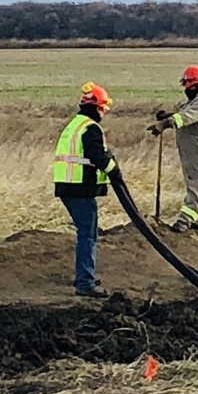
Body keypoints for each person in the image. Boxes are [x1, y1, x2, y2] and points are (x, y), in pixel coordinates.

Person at [53, 82, 122, 298]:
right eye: (102, 108)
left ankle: (85, 274)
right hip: (80, 188)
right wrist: (114, 171)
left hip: (67, 186)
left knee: (86, 233)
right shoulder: (90, 128)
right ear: (95, 107)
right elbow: (97, 156)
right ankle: (85, 282)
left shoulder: (75, 124)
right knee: (87, 234)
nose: (103, 112)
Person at [148, 65, 198, 233]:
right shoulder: (196, 99)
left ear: (196, 83)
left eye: (188, 84)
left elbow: (187, 117)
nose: (186, 89)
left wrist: (165, 124)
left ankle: (185, 219)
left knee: (196, 184)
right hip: (191, 149)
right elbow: (183, 111)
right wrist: (166, 117)